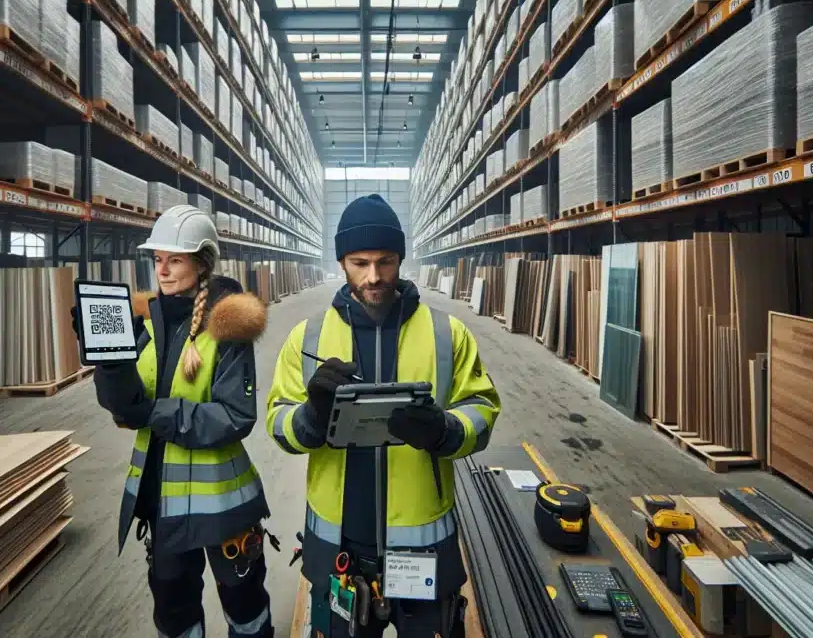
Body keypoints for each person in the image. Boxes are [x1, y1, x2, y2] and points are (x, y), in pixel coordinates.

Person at [265, 194, 502, 638]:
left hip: (421, 543)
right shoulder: (307, 337)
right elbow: (278, 423)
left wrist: (445, 430)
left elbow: (483, 411)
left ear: (401, 259)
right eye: (360, 262)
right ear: (341, 262)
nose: (374, 276)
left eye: (386, 261)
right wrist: (312, 418)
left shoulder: (447, 334)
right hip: (339, 546)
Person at [85, 204, 275, 638]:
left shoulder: (227, 328)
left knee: (245, 608)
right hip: (163, 504)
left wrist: (157, 413)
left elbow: (235, 416)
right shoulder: (146, 323)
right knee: (174, 613)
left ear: (202, 262)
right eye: (158, 260)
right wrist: (109, 361)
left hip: (223, 508)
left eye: (175, 260)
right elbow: (124, 407)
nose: (164, 271)